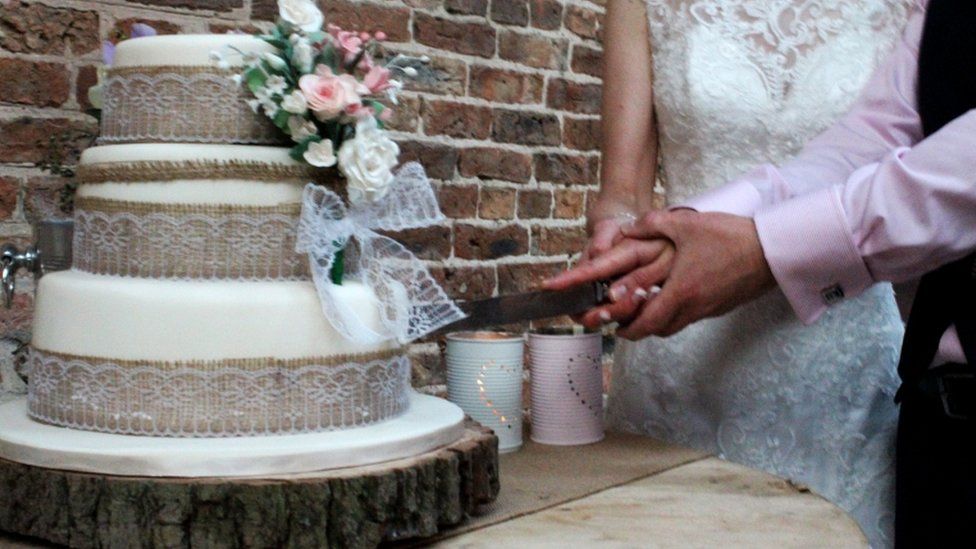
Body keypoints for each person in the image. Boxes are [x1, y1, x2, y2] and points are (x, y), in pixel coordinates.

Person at [548, 0, 976, 545]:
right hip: (689, 341)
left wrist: (762, 248)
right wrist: (673, 237)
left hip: (840, 360)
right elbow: (867, 141)